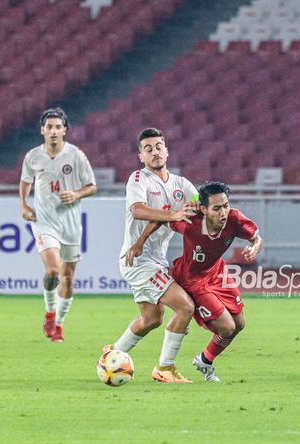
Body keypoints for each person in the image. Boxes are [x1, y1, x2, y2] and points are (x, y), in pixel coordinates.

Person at [101, 127, 198, 383]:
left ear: (166, 150)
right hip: (138, 261)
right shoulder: (138, 179)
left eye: (158, 146)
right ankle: (165, 369)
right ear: (140, 157)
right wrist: (174, 215)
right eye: (148, 149)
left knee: (151, 319)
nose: (154, 152)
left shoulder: (181, 184)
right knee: (185, 307)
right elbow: (138, 210)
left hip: (155, 260)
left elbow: (199, 203)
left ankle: (112, 355)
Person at [170, 182, 262, 382]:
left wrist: (254, 249)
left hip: (218, 273)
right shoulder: (191, 223)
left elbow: (257, 238)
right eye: (217, 208)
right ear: (203, 209)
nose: (224, 212)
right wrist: (141, 243)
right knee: (226, 327)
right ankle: (188, 316)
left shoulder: (235, 219)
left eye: (226, 205)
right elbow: (165, 217)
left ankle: (205, 360)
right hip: (193, 279)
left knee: (239, 324)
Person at [20, 107, 97, 343]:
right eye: (49, 127)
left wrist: (76, 194)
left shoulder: (76, 156)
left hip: (71, 224)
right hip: (44, 221)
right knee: (53, 270)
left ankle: (60, 324)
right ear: (42, 130)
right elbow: (25, 181)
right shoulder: (33, 156)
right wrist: (24, 204)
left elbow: (92, 186)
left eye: (57, 127)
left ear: (65, 130)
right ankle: (49, 313)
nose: (53, 131)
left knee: (68, 278)